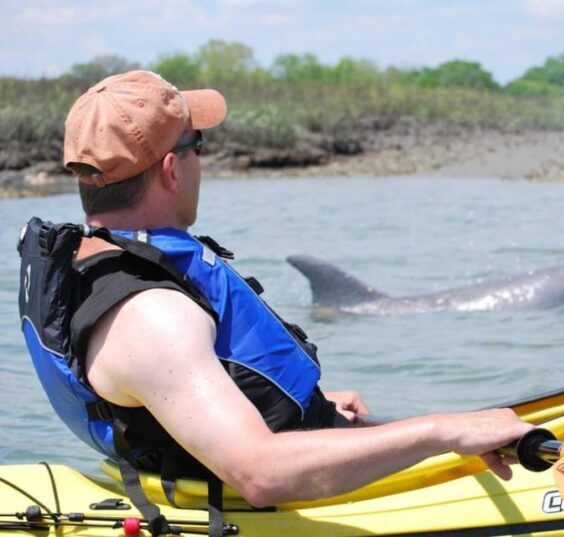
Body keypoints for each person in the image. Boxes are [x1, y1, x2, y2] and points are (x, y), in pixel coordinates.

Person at [22, 70, 534, 509]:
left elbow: (172, 393)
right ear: (172, 170)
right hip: (272, 495)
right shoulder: (149, 315)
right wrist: (443, 430)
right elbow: (261, 473)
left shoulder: (95, 261)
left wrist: (297, 404)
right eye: (197, 145)